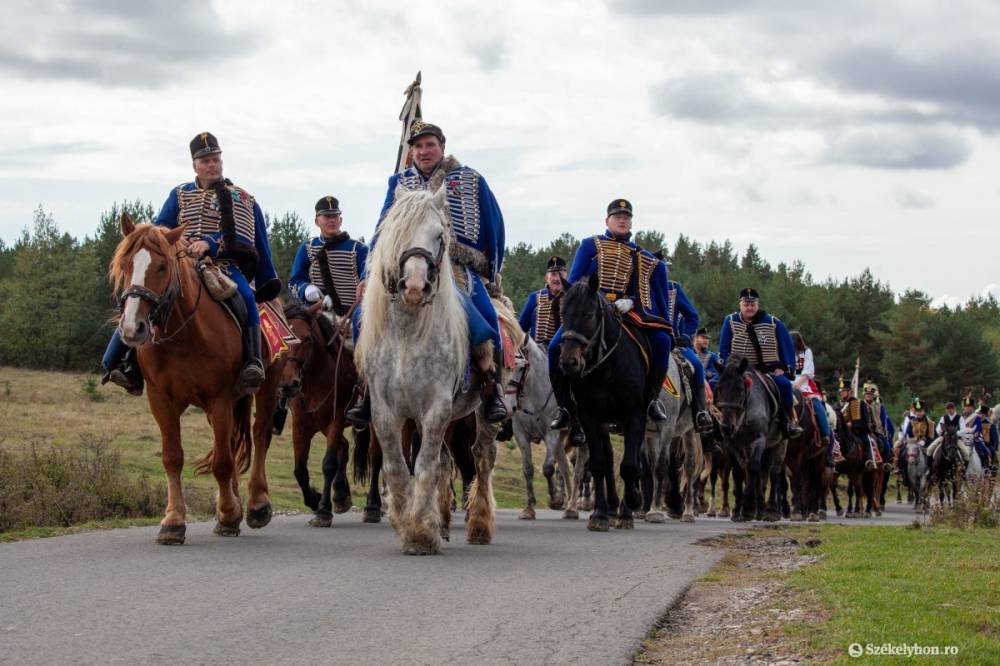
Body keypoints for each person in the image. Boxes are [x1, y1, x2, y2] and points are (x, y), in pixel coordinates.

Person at [348, 121, 507, 425]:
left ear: (442, 147)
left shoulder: (471, 180)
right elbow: (381, 229)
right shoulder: (398, 182)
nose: (423, 151)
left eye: (429, 145)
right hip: (403, 270)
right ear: (411, 152)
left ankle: (490, 387)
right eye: (417, 146)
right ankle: (367, 389)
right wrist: (368, 274)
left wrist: (492, 273)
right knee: (361, 320)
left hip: (457, 269)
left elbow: (494, 226)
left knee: (486, 321)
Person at [101, 131, 280, 396]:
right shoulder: (179, 194)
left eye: (215, 159)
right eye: (205, 160)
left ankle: (252, 362)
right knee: (143, 294)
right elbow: (160, 225)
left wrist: (209, 242)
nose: (212, 164)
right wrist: (176, 238)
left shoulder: (241, 197)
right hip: (181, 262)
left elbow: (243, 235)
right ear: (194, 165)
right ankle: (120, 362)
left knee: (244, 296)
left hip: (223, 265)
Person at [549, 199, 673, 431]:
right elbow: (575, 282)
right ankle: (565, 407)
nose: (622, 220)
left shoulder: (641, 255)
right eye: (618, 217)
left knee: (663, 341)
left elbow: (646, 290)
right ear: (607, 221)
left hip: (627, 314)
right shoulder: (590, 245)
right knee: (554, 347)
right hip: (592, 313)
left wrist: (632, 301)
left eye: (626, 217)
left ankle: (651, 399)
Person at [718, 288, 803, 436]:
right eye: (746, 304)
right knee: (717, 385)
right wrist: (728, 369)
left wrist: (785, 367)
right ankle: (714, 419)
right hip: (739, 370)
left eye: (752, 304)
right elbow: (724, 347)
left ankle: (788, 422)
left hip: (767, 371)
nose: (749, 307)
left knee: (784, 386)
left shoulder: (773, 322)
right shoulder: (730, 321)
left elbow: (786, 345)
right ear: (740, 304)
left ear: (757, 305)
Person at [288, 196, 368, 317]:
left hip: (352, 315)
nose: (332, 220)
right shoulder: (307, 247)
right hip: (318, 315)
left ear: (340, 220)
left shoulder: (359, 248)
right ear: (316, 221)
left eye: (335, 216)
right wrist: (305, 289)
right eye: (327, 216)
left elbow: (368, 278)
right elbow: (294, 282)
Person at [658, 254, 712, 433]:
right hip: (646, 340)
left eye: (663, 269)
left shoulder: (674, 289)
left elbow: (692, 315)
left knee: (696, 364)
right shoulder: (638, 287)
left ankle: (700, 412)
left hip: (674, 344)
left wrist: (686, 336)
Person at [790, 331, 834, 467]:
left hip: (804, 383)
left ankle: (825, 433)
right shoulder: (784, 353)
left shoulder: (807, 352)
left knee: (817, 404)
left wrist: (798, 383)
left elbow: (808, 371)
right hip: (789, 382)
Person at [519, 255, 567, 348]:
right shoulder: (534, 297)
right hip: (537, 354)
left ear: (566, 276)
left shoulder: (572, 298)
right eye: (553, 274)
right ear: (546, 278)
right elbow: (521, 328)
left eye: (560, 274)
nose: (557, 279)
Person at [896, 398, 934, 476]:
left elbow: (931, 436)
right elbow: (908, 434)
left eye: (921, 411)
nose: (919, 413)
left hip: (925, 444)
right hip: (913, 443)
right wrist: (914, 440)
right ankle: (903, 471)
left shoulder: (930, 423)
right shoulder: (911, 422)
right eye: (917, 411)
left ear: (924, 411)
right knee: (902, 453)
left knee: (930, 454)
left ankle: (930, 471)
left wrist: (925, 441)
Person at [862, 378, 895, 465]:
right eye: (867, 394)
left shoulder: (880, 406)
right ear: (864, 395)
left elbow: (884, 421)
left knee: (886, 445)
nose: (868, 396)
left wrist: (884, 431)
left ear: (873, 395)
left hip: (876, 431)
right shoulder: (860, 405)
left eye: (870, 394)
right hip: (863, 431)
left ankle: (886, 462)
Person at [693, 328, 722, 393]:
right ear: (696, 338)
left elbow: (718, 374)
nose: (706, 340)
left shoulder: (713, 356)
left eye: (707, 338)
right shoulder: (690, 353)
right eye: (703, 337)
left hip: (706, 389)